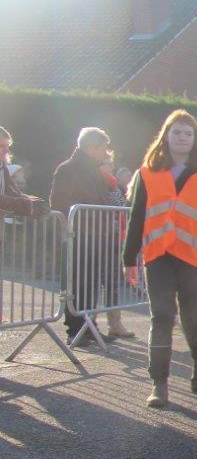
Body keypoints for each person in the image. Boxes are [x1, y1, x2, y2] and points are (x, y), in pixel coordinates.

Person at [121, 111, 197, 408]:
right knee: (161, 316)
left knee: (191, 320)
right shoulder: (148, 171)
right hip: (158, 255)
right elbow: (137, 215)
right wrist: (128, 259)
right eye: (177, 133)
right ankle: (158, 384)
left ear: (195, 139)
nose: (182, 138)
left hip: (194, 257)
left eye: (188, 133)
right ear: (166, 136)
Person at [50, 127, 117, 345]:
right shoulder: (68, 169)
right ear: (90, 148)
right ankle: (75, 329)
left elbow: (103, 200)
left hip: (97, 235)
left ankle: (88, 326)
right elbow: (59, 202)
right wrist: (74, 227)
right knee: (77, 283)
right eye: (103, 149)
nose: (106, 153)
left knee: (92, 283)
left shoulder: (95, 171)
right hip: (78, 236)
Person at [97, 149, 134, 339]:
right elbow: (117, 208)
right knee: (100, 281)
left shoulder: (112, 184)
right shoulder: (102, 183)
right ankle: (97, 323)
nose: (111, 167)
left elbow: (122, 207)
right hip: (103, 237)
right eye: (108, 163)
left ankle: (115, 323)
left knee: (111, 282)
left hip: (114, 237)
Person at [0, 128, 46, 218]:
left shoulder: (2, 167)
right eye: (1, 146)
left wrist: (36, 204)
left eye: (8, 146)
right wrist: (21, 204)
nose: (7, 151)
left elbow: (14, 192)